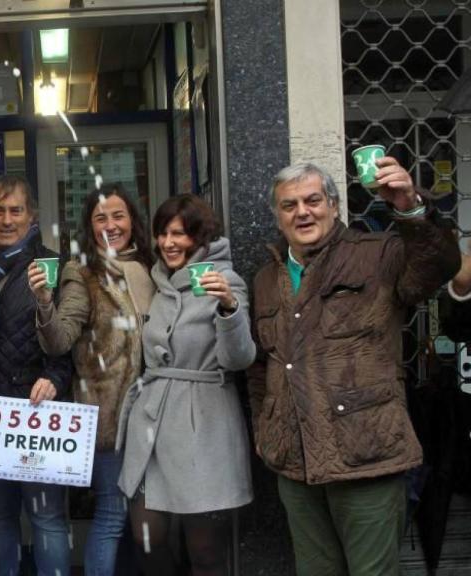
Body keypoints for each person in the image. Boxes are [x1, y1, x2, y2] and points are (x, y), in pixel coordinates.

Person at [247, 157, 460, 576]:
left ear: (333, 206)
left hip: (367, 457)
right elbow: (261, 365)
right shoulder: (265, 279)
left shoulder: (377, 254)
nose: (302, 212)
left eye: (312, 200)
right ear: (277, 216)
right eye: (289, 205)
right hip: (296, 463)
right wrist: (264, 428)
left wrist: (411, 208)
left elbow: (439, 267)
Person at [116, 194, 255, 575]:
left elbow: (239, 358)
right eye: (162, 234)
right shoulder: (158, 281)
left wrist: (228, 308)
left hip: (204, 424)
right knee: (147, 535)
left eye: (179, 234)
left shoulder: (225, 282)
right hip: (153, 425)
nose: (168, 243)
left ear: (200, 237)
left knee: (206, 550)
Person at [32, 183, 154, 575]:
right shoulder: (81, 273)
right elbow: (59, 340)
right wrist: (45, 305)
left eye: (118, 215)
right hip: (109, 418)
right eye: (100, 218)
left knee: (144, 520)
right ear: (89, 226)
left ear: (133, 220)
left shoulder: (153, 268)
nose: (111, 225)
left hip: (154, 417)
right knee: (112, 516)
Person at [0, 175, 73, 576]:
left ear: (31, 216)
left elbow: (72, 337)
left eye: (15, 210)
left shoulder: (54, 264)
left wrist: (56, 374)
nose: (6, 219)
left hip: (39, 411)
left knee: (47, 516)